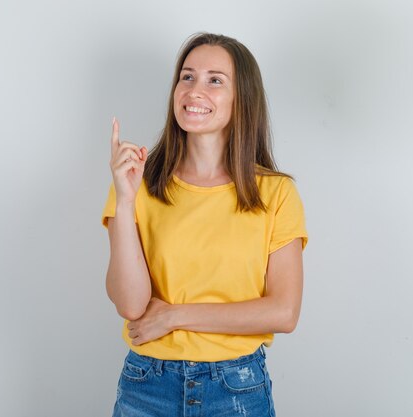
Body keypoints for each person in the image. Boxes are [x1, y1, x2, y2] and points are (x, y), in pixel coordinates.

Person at [101, 32, 308, 417]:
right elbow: (131, 305)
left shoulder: (276, 193)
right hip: (147, 384)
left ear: (241, 99)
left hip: (236, 388)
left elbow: (283, 312)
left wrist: (176, 315)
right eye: (187, 76)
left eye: (215, 80)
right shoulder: (137, 183)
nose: (195, 90)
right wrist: (127, 203)